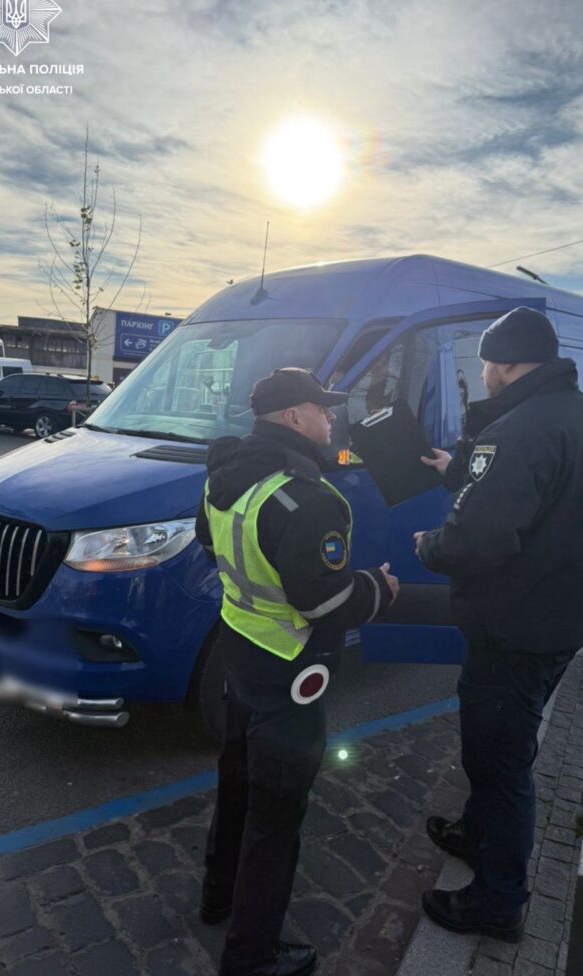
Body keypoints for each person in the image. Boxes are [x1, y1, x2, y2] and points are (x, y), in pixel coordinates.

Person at [413, 307, 583, 942]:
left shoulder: (520, 428)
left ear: (504, 362)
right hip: (557, 617)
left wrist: (429, 546)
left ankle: (498, 901)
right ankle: (478, 839)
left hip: (515, 628)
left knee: (500, 765)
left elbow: (479, 539)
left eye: (484, 363)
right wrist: (460, 471)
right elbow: (543, 502)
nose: (482, 375)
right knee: (500, 750)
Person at [196, 367, 399, 976]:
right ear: (292, 417)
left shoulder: (224, 475)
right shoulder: (308, 498)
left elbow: (212, 549)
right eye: (322, 408)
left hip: (240, 645)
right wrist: (380, 590)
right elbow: (327, 603)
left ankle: (216, 896)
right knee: (276, 816)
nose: (331, 417)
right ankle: (252, 955)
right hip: (291, 665)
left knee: (235, 779)